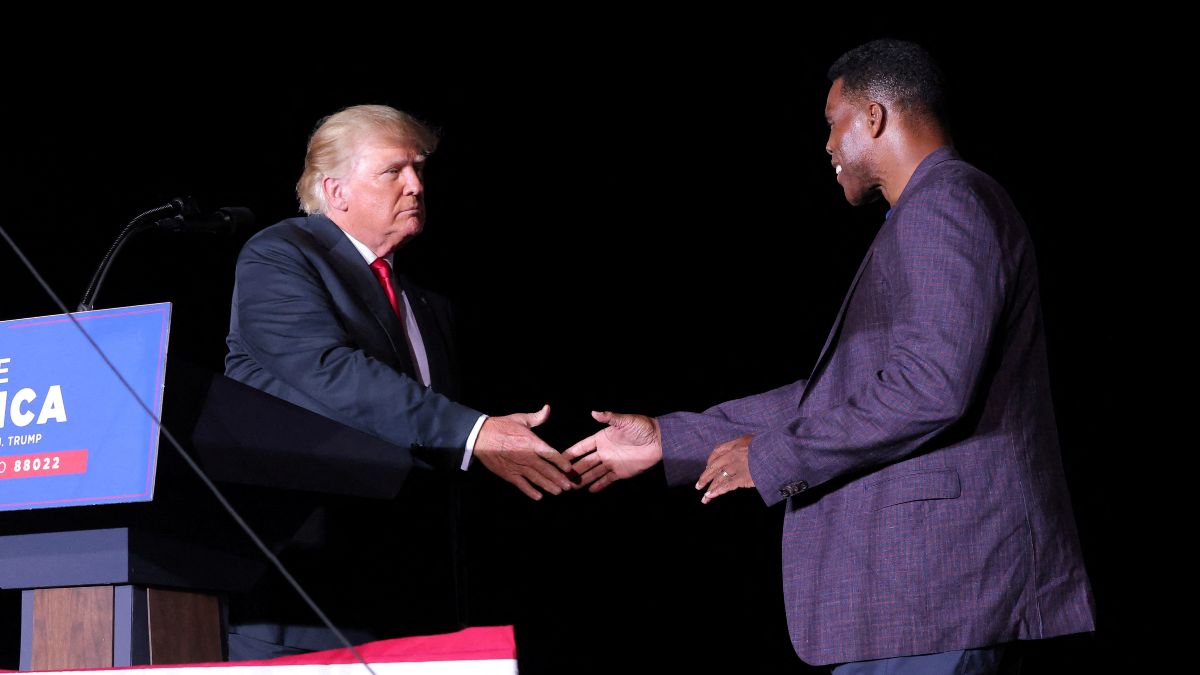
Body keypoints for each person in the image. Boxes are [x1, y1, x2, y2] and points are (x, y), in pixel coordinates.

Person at [566, 39, 1095, 673]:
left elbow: (930, 386)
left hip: (940, 591)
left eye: (832, 123)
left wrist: (771, 458)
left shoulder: (946, 206)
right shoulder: (933, 210)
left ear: (873, 117)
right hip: (921, 604)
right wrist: (668, 439)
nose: (826, 145)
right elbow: (840, 392)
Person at [223, 104, 575, 657]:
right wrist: (475, 431)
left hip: (415, 596)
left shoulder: (425, 297)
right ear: (335, 191)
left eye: (418, 169)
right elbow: (329, 374)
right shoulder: (280, 255)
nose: (415, 185)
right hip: (309, 598)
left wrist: (486, 445)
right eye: (393, 171)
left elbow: (423, 432)